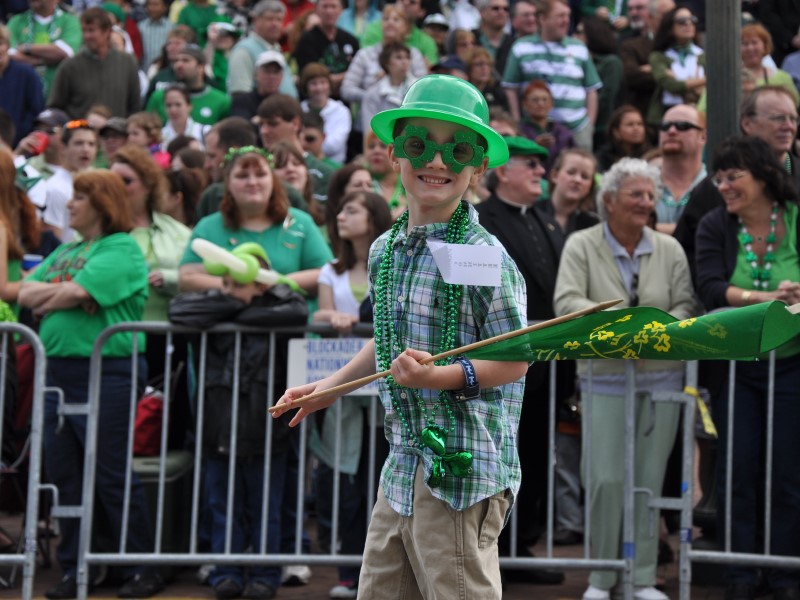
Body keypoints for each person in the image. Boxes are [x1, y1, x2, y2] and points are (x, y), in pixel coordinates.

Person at [272, 74, 529, 600]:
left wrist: (436, 377)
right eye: (420, 146)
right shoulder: (386, 249)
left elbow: (516, 357)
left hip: (462, 471)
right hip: (403, 466)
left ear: (477, 167)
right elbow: (389, 338)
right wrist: (330, 388)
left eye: (456, 151)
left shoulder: (483, 256)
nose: (437, 163)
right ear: (395, 155)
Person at [179, 146, 332, 594]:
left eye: (259, 173)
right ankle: (225, 566)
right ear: (227, 183)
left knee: (277, 470)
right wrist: (233, 285)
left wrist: (268, 286)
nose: (252, 181)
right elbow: (187, 275)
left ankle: (273, 564)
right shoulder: (210, 226)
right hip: (220, 371)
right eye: (241, 174)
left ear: (274, 181)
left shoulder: (299, 225)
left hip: (282, 366)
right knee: (220, 469)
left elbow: (323, 271)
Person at [18, 170, 164, 600]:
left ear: (102, 203)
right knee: (66, 474)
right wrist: (64, 294)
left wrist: (61, 293)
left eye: (81, 196)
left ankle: (138, 566)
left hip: (107, 371)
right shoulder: (68, 249)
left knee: (110, 472)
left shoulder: (123, 247)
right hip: (58, 373)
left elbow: (67, 292)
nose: (73, 203)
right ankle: (80, 566)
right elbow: (22, 291)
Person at [553, 157, 695, 600]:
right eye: (636, 194)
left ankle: (642, 577)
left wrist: (652, 331)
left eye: (650, 196)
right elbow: (567, 302)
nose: (646, 203)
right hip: (604, 379)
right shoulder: (580, 244)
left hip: (662, 382)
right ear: (608, 200)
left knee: (648, 481)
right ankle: (602, 577)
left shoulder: (670, 249)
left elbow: (686, 305)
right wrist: (629, 326)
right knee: (605, 479)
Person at [169, 243, 309, 600]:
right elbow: (179, 309)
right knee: (222, 505)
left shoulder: (277, 305)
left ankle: (265, 575)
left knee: (266, 508)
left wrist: (235, 311)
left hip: (266, 429)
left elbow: (297, 310)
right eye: (225, 284)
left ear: (260, 282)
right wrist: (233, 302)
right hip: (218, 425)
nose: (227, 290)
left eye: (237, 283)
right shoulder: (221, 305)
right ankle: (225, 572)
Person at [695, 135, 800, 600]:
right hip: (738, 369)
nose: (723, 185)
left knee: (788, 475)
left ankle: (782, 575)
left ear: (762, 174)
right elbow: (711, 287)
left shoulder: (795, 217)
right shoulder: (715, 224)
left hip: (793, 367)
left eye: (733, 175)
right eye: (718, 177)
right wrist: (765, 299)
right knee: (737, 472)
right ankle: (739, 575)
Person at [474, 136, 571, 585]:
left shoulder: (546, 221)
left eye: (541, 165)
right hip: (500, 361)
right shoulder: (483, 220)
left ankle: (523, 544)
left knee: (534, 451)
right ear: (503, 171)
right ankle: (497, 549)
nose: (540, 172)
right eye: (529, 164)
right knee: (501, 450)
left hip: (544, 363)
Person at [311, 190, 392, 599]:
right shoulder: (332, 269)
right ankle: (348, 570)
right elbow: (319, 313)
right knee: (344, 482)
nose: (341, 216)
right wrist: (333, 317)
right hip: (345, 393)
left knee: (379, 481)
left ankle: (380, 573)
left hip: (384, 398)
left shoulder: (391, 260)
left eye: (352, 209)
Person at [502, 0, 601, 150]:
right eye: (560, 16)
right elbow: (510, 88)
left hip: (577, 129)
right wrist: (517, 123)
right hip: (533, 131)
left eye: (568, 16)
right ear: (542, 19)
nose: (566, 21)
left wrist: (589, 125)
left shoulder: (579, 47)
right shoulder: (521, 47)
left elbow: (591, 89)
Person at [47, 8, 140, 119]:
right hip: (79, 133)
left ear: (107, 32)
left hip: (115, 134)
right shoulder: (69, 66)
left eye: (91, 30)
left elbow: (135, 107)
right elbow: (55, 109)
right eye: (84, 31)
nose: (87, 36)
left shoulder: (127, 63)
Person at [699, 23, 800, 113]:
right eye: (745, 44)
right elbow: (702, 109)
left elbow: (795, 106)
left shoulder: (782, 78)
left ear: (765, 46)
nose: (750, 48)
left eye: (754, 43)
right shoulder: (724, 78)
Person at [7, 0, 82, 100]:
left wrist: (26, 47)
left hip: (59, 99)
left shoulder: (69, 21)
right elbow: (9, 54)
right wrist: (44, 60)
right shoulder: (16, 21)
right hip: (21, 98)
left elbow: (63, 52)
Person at [646, 6, 705, 128]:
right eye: (682, 21)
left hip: (699, 114)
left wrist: (679, 79)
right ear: (669, 28)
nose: (688, 24)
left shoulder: (703, 55)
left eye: (692, 20)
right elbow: (672, 85)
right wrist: (703, 81)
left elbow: (712, 86)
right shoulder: (658, 56)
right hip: (666, 116)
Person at [145, 43, 231, 126]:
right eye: (176, 61)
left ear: (201, 67)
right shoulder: (159, 97)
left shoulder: (221, 101)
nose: (178, 65)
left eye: (186, 60)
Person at [226, 0, 298, 99]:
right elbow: (240, 94)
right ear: (255, 20)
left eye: (279, 19)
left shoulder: (275, 48)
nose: (275, 24)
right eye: (269, 19)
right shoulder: (244, 50)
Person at [654, 103, 706, 234]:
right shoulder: (642, 183)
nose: (671, 131)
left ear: (703, 137)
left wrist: (653, 229)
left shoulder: (716, 186)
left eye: (683, 126)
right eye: (665, 126)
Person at [293, 0, 360, 96]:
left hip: (344, 101)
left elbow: (359, 74)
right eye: (325, 7)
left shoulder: (351, 40)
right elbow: (309, 76)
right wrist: (346, 76)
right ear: (316, 10)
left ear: (341, 10)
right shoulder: (306, 41)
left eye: (333, 7)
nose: (329, 11)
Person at [517, 80, 575, 175]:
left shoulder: (563, 132)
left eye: (545, 100)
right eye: (535, 100)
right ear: (525, 104)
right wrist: (535, 146)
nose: (540, 103)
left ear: (551, 104)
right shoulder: (518, 130)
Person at [0, 24, 44, 146]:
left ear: (8, 46)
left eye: (0, 44)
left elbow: (37, 111)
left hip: (23, 146)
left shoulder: (27, 74)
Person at [360, 43, 418, 134]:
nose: (404, 62)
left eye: (407, 57)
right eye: (399, 57)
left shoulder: (419, 89)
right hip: (383, 145)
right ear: (386, 63)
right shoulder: (372, 94)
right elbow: (370, 132)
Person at [299, 63, 351, 165]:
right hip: (304, 163)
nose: (319, 88)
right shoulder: (298, 109)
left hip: (334, 164)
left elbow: (334, 146)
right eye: (314, 84)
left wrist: (306, 146)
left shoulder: (341, 111)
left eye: (323, 83)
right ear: (306, 87)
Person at [539, 148, 600, 233]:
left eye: (585, 177)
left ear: (591, 186)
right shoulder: (531, 213)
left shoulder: (593, 225)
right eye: (571, 172)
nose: (577, 180)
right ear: (555, 175)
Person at [324, 163, 375, 255]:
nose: (366, 190)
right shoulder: (323, 236)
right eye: (358, 185)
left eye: (369, 185)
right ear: (340, 193)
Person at [363, 130, 406, 218]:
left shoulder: (408, 181)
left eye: (383, 146)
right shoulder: (360, 182)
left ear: (394, 153)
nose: (376, 151)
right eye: (371, 146)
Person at [595, 105, 651, 172]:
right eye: (630, 124)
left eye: (640, 124)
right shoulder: (603, 158)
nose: (636, 128)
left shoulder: (651, 155)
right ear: (616, 132)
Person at [160, 84, 209, 149]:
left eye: (178, 105)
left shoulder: (205, 132)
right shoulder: (159, 136)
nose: (173, 110)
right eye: (168, 105)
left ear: (189, 106)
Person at [465, 46, 509, 112]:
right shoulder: (464, 92)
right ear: (469, 68)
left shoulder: (497, 92)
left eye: (488, 64)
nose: (484, 68)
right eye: (479, 64)